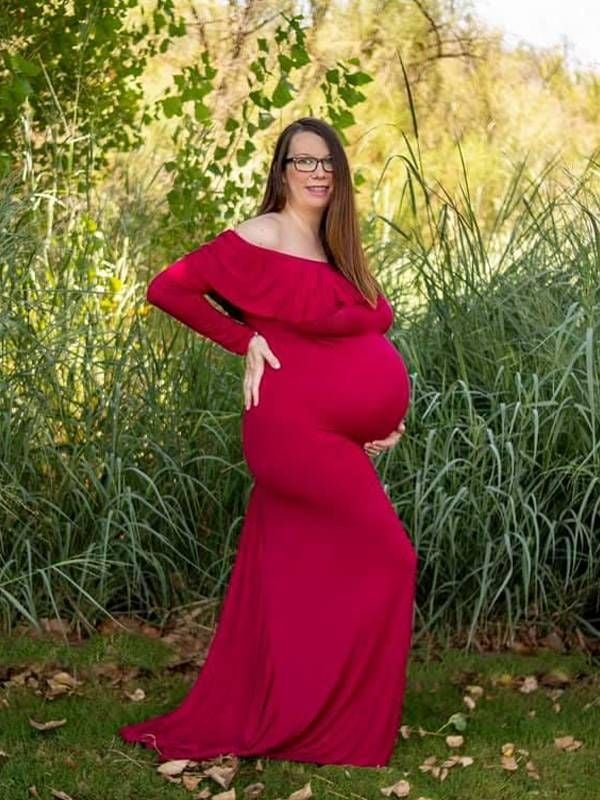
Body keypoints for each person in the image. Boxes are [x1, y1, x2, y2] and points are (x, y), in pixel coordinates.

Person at [119, 116, 417, 768]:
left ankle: (295, 705)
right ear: (282, 171)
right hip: (292, 430)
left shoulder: (340, 250)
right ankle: (335, 725)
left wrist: (377, 420)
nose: (316, 172)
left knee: (296, 576)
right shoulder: (263, 234)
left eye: (327, 163)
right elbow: (169, 288)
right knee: (391, 558)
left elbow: (351, 342)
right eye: (302, 161)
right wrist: (243, 339)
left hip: (338, 434)